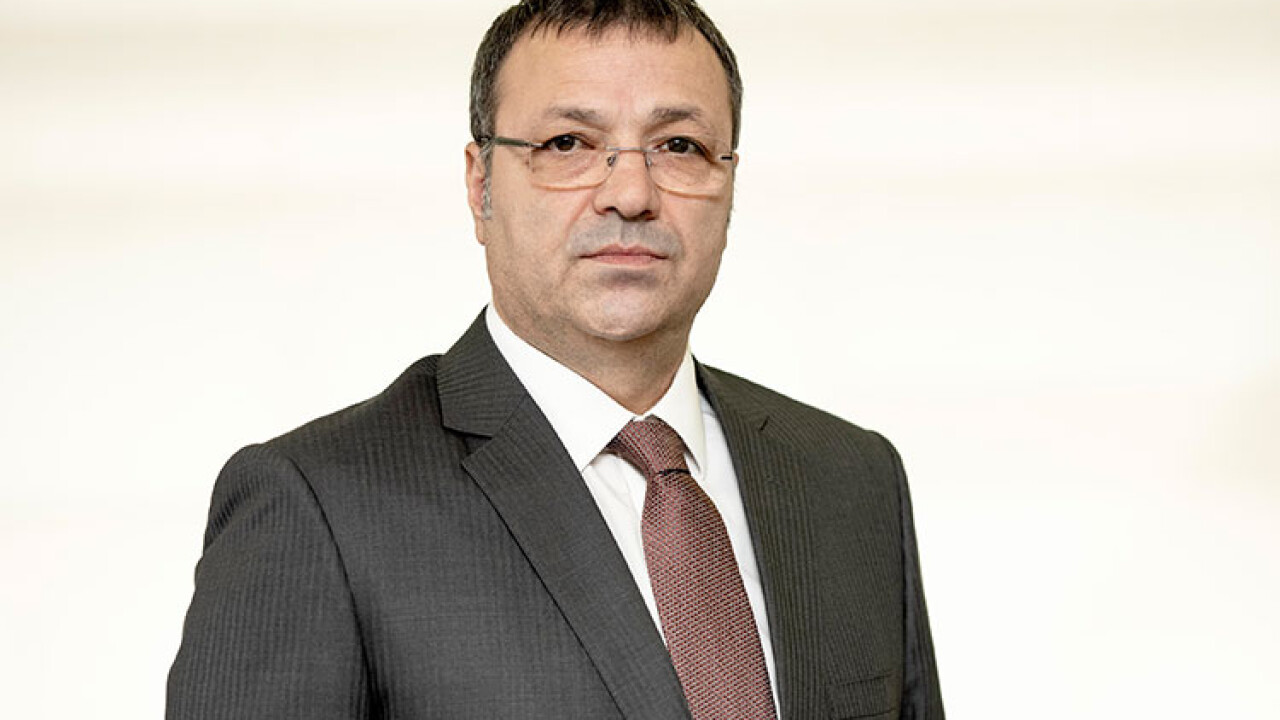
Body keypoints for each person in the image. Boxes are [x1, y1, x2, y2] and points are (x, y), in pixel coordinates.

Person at [166, 1, 944, 718]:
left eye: (679, 146)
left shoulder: (851, 479)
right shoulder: (318, 506)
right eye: (568, 144)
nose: (631, 193)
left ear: (729, 182)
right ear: (481, 186)